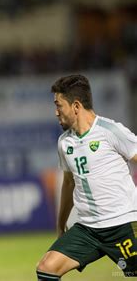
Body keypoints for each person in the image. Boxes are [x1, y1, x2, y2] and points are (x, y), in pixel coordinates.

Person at [36, 74, 137, 280]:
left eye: (59, 105)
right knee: (47, 267)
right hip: (88, 229)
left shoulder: (111, 131)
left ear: (75, 106)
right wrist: (61, 224)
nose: (56, 112)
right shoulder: (65, 143)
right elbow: (68, 183)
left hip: (124, 224)